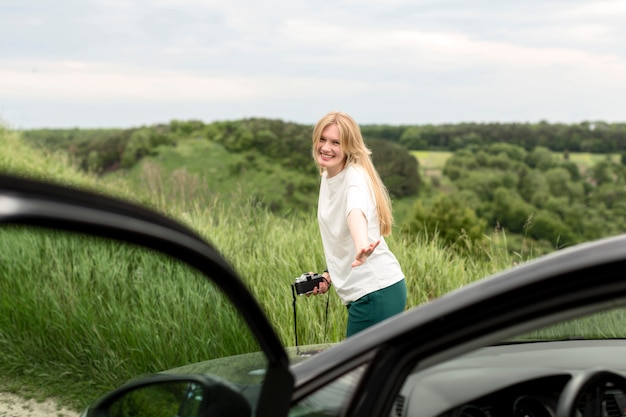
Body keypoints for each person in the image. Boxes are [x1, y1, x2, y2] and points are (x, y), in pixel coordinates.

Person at [309, 111, 406, 337]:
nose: (326, 147)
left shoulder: (354, 179)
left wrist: (362, 244)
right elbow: (339, 235)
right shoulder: (329, 175)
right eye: (322, 139)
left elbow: (355, 213)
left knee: (357, 370)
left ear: (349, 147)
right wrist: (328, 274)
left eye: (336, 142)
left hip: (375, 291)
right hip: (369, 292)